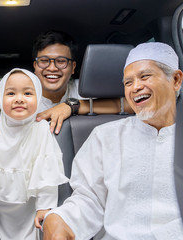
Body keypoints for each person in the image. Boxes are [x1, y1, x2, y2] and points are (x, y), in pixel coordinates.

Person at [43, 42, 183, 240]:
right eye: (127, 82)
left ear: (176, 80)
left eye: (145, 76)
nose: (135, 87)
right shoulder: (105, 137)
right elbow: (89, 201)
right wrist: (58, 219)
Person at [0, 68, 69, 239]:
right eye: (11, 93)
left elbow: (47, 173)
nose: (19, 99)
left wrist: (44, 207)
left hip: (30, 208)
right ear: (1, 98)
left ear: (38, 97)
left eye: (28, 93)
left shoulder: (42, 130)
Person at [0, 30, 132, 150]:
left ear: (72, 67)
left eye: (61, 61)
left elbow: (132, 105)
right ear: (35, 66)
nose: (52, 68)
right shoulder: (23, 100)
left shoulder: (87, 90)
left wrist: (73, 106)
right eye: (44, 61)